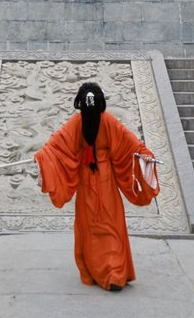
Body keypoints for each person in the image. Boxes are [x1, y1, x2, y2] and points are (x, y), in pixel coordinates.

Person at [34, 81, 160, 292]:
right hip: (96, 179)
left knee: (104, 224)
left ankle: (114, 272)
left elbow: (131, 144)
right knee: (96, 224)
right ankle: (104, 271)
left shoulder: (85, 120)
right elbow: (55, 145)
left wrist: (143, 154)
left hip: (100, 179)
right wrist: (42, 156)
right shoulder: (95, 121)